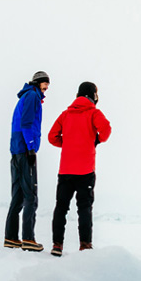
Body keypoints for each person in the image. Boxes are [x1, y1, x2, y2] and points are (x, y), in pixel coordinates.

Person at [48, 81, 111, 257]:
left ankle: (57, 245)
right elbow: (106, 130)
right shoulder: (94, 113)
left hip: (66, 170)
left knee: (61, 207)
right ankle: (85, 245)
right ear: (93, 96)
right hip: (85, 171)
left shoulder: (66, 114)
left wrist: (67, 144)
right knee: (84, 209)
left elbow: (52, 137)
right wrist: (95, 140)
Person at [5, 71, 50, 251]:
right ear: (38, 83)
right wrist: (31, 148)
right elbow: (27, 123)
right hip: (25, 150)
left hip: (16, 150)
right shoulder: (32, 95)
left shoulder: (25, 96)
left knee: (18, 195)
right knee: (31, 194)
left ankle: (11, 237)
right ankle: (28, 239)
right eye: (45, 83)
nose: (47, 87)